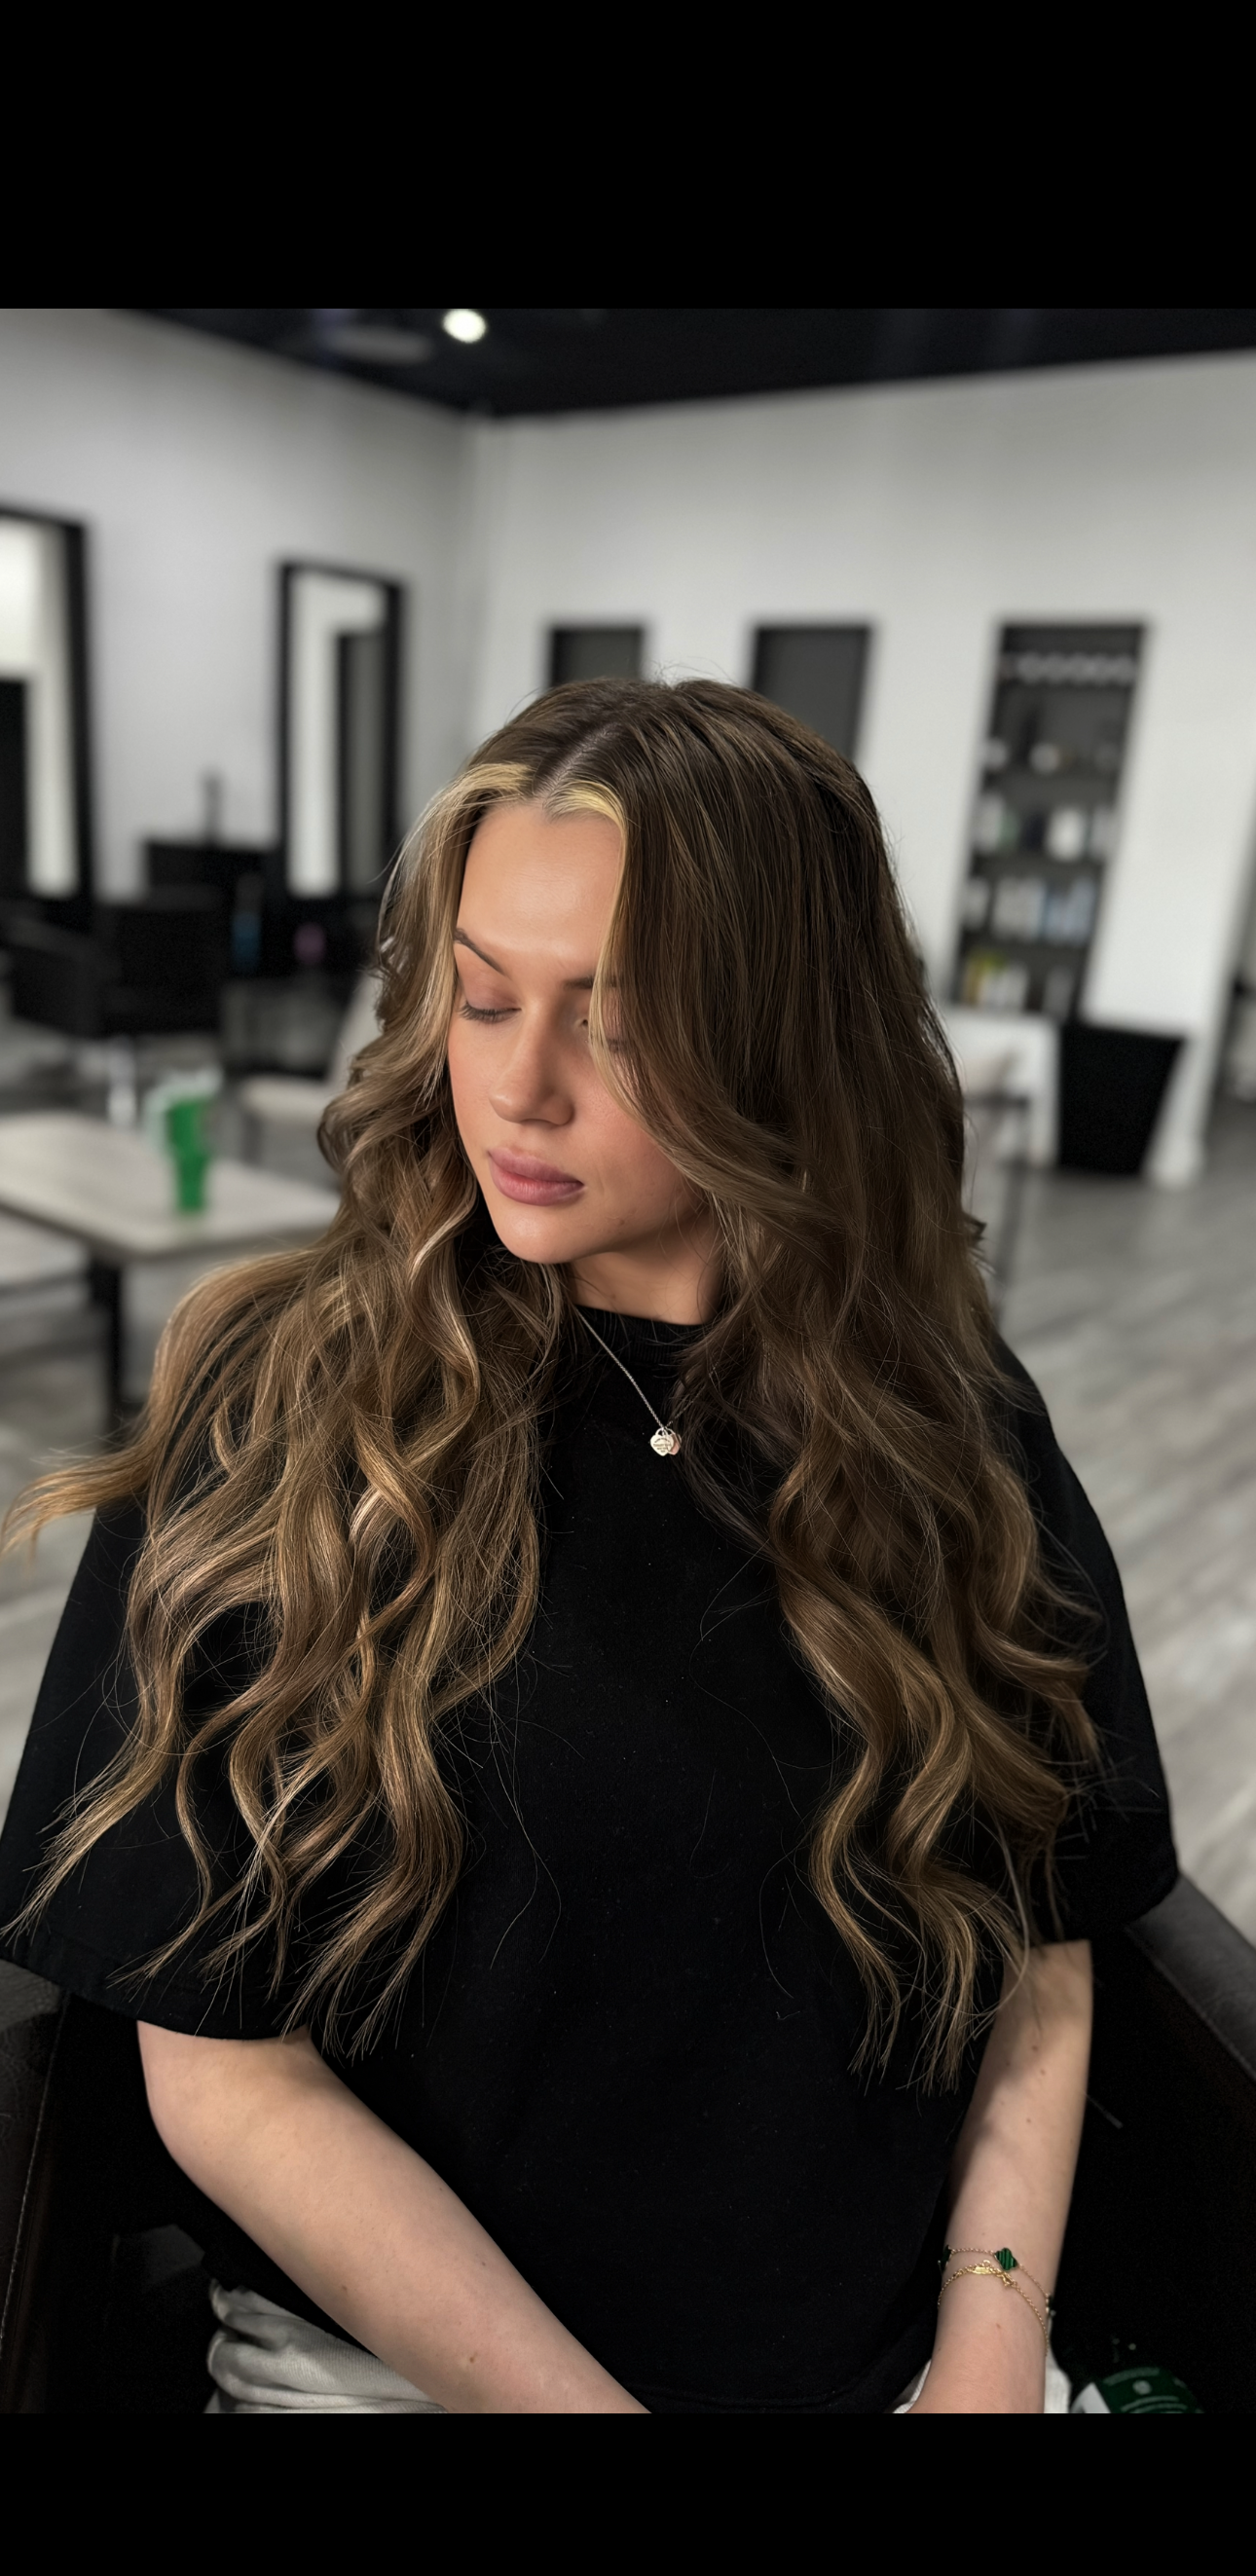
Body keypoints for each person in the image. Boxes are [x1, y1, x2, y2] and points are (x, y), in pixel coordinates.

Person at [0, 681, 1173, 2414]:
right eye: (480, 997)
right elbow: (221, 2067)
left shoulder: (944, 1421)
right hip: (413, 2376)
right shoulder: (286, 1415)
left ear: (789, 1036)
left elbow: (1044, 1928)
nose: (518, 1089)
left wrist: (991, 2335)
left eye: (615, 1025)